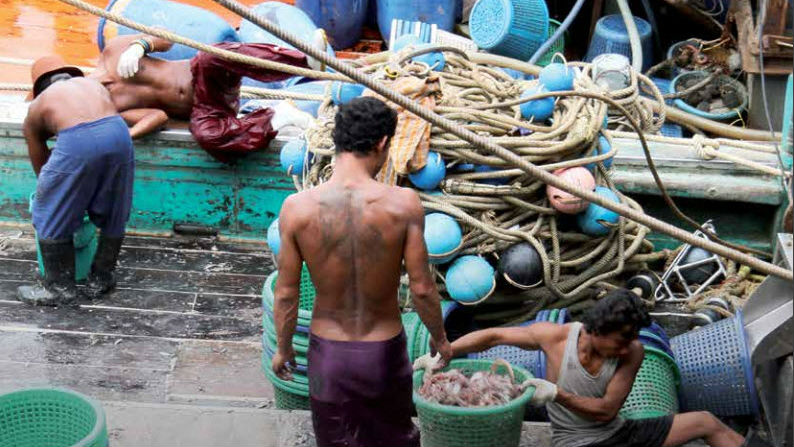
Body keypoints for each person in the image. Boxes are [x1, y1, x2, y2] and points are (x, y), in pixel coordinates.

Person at [271, 97, 453, 447]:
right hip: (382, 354)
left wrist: (283, 348)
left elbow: (286, 292)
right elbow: (423, 289)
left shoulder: (296, 209)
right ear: (382, 143)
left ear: (337, 140)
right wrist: (440, 340)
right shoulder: (403, 204)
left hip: (329, 356)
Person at [426, 289, 746, 447]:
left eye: (631, 339)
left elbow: (606, 412)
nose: (627, 347)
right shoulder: (555, 338)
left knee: (706, 421)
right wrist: (445, 351)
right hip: (575, 442)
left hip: (619, 432)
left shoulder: (632, 352)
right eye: (620, 340)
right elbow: (494, 336)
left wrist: (556, 394)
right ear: (596, 331)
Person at [89, 32, 325, 162]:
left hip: (204, 74)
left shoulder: (114, 51)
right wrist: (128, 135)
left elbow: (167, 39)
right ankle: (276, 118)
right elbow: (158, 117)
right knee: (207, 136)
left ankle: (303, 61)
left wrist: (141, 44)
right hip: (205, 110)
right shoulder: (111, 106)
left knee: (210, 55)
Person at [17, 56, 134, 306]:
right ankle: (101, 278)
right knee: (115, 207)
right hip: (119, 133)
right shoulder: (93, 85)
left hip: (78, 139)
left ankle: (59, 289)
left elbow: (42, 166)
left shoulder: (38, 105)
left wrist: (53, 199)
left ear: (40, 87)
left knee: (49, 208)